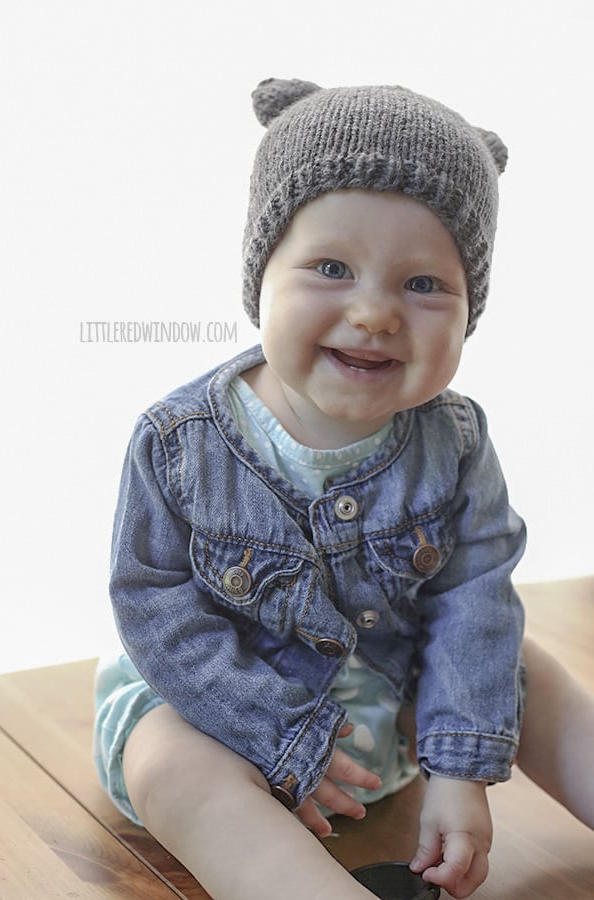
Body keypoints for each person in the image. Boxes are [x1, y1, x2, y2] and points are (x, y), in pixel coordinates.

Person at [94, 79, 594, 900]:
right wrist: (274, 727)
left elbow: (474, 599)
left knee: (515, 659)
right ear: (263, 275)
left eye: (424, 284)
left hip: (390, 691)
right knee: (173, 764)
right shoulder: (181, 442)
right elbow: (156, 608)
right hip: (222, 703)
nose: (374, 312)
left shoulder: (455, 441)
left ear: (471, 309)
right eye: (331, 267)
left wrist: (462, 768)